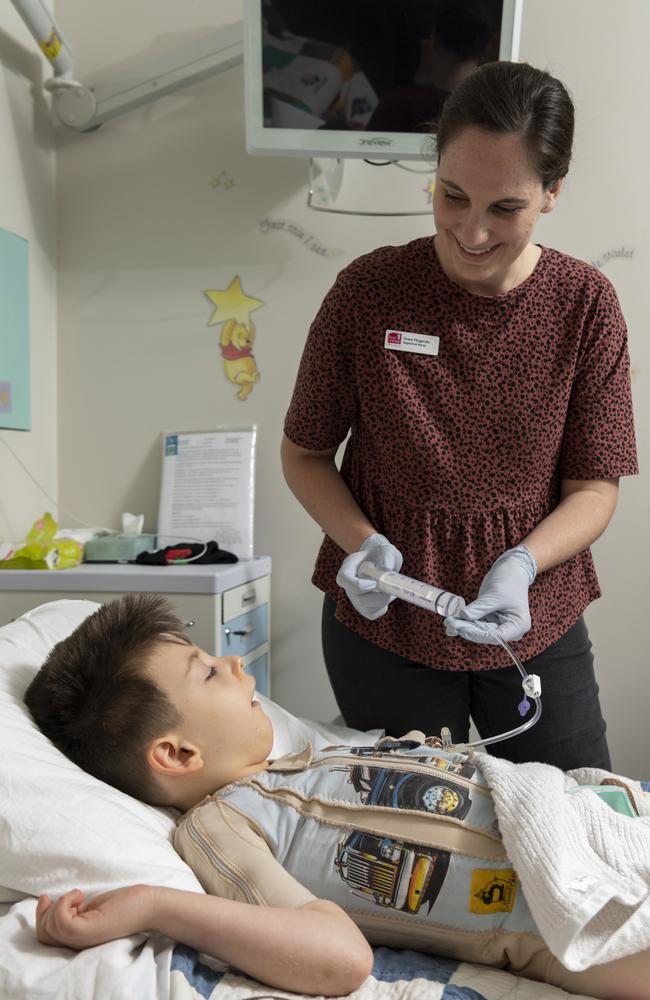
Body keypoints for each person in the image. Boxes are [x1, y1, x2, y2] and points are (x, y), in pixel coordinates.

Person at [281, 61, 638, 770]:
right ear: (434, 173)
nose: (471, 231)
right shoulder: (368, 292)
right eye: (452, 196)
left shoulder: (585, 306)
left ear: (552, 193)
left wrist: (520, 563)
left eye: (505, 208)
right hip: (387, 621)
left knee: (572, 810)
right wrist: (363, 547)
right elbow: (305, 453)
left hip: (532, 614)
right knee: (412, 845)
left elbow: (596, 488)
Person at [25, 595, 650, 1000]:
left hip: (586, 822)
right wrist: (156, 906)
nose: (238, 665)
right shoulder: (222, 826)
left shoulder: (306, 757)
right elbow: (339, 958)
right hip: (575, 919)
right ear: (177, 754)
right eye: (209, 671)